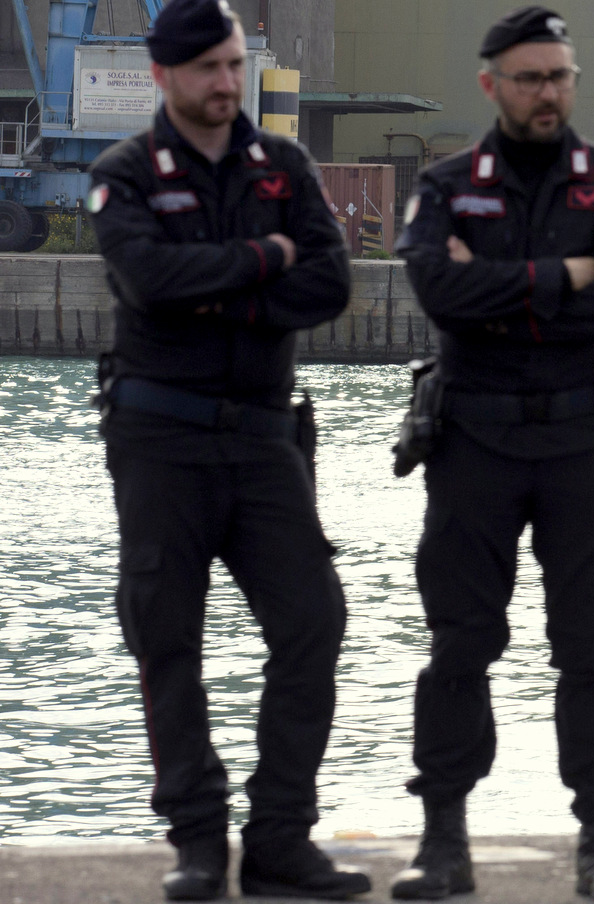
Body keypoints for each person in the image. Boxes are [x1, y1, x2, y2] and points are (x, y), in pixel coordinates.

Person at [86, 0, 369, 899]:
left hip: (263, 437)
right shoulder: (124, 174)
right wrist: (263, 260)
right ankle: (198, 842)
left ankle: (282, 833)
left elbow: (329, 283)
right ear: (164, 75)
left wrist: (221, 287)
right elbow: (148, 281)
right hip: (159, 438)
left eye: (233, 63)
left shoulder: (282, 165)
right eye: (206, 67)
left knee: (314, 622)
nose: (225, 82)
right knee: (166, 638)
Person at [390, 6, 594, 902]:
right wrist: (564, 276)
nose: (546, 92)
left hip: (583, 440)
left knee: (592, 646)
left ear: (572, 82)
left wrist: (497, 287)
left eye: (559, 76)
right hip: (473, 442)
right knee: (459, 644)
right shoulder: (445, 185)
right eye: (528, 77)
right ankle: (442, 841)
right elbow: (438, 291)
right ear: (492, 85)